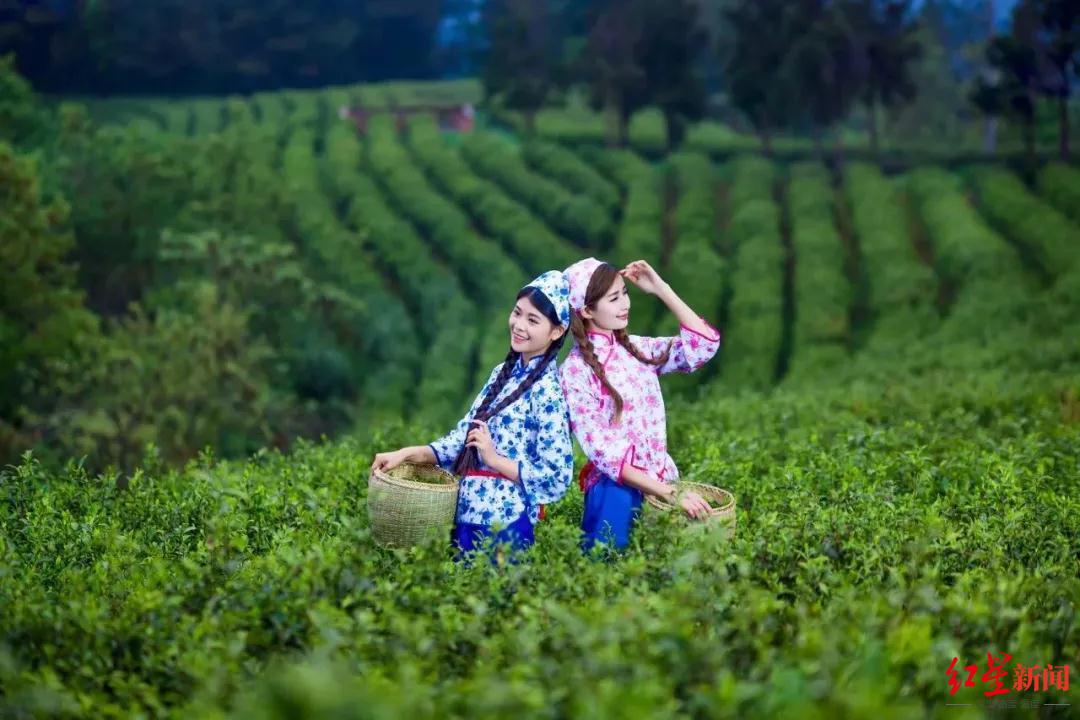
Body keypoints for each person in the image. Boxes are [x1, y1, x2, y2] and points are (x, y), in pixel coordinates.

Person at [371, 271, 574, 559]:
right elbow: (462, 438)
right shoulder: (501, 375)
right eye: (517, 313)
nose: (519, 325)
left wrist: (494, 460)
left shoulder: (548, 391)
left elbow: (557, 475)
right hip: (466, 515)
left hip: (505, 525)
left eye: (533, 320)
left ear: (556, 331)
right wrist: (405, 454)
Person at [559, 257, 722, 553]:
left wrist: (661, 288)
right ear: (586, 310)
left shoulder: (636, 349)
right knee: (610, 580)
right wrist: (671, 494)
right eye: (614, 298)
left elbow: (703, 347)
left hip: (662, 485)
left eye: (625, 293)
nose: (625, 304)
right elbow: (603, 451)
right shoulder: (574, 371)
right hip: (617, 495)